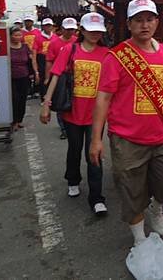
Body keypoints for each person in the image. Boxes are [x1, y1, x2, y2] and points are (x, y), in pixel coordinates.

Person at [89, 0, 163, 246]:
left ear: (157, 22)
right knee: (131, 192)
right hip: (127, 139)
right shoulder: (117, 57)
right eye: (138, 20)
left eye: (149, 19)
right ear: (129, 24)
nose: (144, 25)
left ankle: (156, 207)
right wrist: (96, 140)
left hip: (162, 136)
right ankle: (140, 240)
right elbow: (103, 99)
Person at [40, 13, 110, 216]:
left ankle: (97, 198)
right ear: (83, 30)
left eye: (98, 31)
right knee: (74, 148)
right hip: (72, 112)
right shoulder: (70, 50)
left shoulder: (107, 54)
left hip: (96, 115)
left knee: (94, 154)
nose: (95, 34)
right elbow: (56, 76)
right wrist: (46, 103)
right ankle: (73, 179)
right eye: (91, 29)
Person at [46, 17, 79, 139]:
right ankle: (63, 128)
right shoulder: (54, 43)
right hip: (60, 77)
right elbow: (49, 61)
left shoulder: (77, 42)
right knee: (61, 101)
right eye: (68, 29)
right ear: (62, 29)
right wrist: (47, 77)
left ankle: (73, 125)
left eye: (73, 29)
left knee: (73, 101)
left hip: (75, 76)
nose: (70, 32)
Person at [9, 25, 34, 132]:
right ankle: (13, 121)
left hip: (24, 77)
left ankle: (19, 120)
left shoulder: (25, 47)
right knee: (14, 99)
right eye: (15, 35)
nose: (18, 37)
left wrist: (32, 73)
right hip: (11, 78)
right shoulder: (6, 48)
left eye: (20, 35)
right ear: (10, 36)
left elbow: (29, 61)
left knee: (23, 99)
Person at [32, 18, 58, 101]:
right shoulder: (38, 37)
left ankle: (53, 96)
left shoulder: (55, 37)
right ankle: (43, 97)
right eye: (46, 25)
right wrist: (34, 62)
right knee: (43, 77)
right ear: (43, 27)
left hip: (53, 59)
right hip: (42, 58)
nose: (48, 27)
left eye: (49, 25)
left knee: (53, 76)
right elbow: (35, 51)